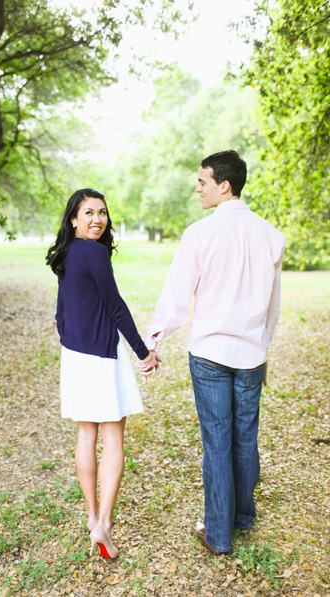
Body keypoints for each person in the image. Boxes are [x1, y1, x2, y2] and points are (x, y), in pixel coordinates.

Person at [145, 150, 285, 556]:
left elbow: (175, 297)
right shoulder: (271, 235)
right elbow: (273, 307)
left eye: (202, 181)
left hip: (209, 354)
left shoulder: (200, 234)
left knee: (217, 442)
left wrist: (152, 340)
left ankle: (218, 534)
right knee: (245, 437)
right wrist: (264, 345)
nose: (197, 188)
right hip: (250, 354)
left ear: (224, 185)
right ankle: (242, 517)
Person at [46, 188, 160, 559]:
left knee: (85, 434)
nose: (98, 219)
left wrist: (71, 342)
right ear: (74, 219)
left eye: (103, 212)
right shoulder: (93, 252)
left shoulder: (67, 253)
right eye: (89, 212)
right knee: (112, 438)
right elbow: (116, 307)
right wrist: (144, 353)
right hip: (99, 356)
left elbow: (61, 312)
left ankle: (92, 516)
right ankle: (104, 524)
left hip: (75, 356)